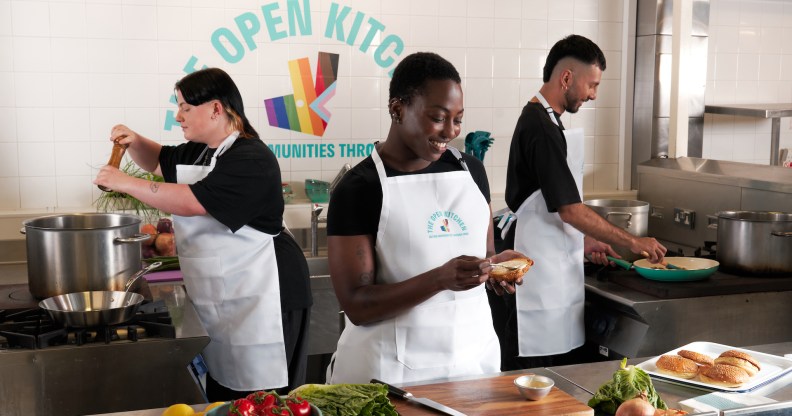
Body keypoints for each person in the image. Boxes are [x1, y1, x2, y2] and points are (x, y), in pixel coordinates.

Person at [93, 68, 312, 401]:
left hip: (267, 290)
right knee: (227, 394)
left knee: (265, 400)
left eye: (185, 107)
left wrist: (123, 181)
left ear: (215, 109)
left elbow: (191, 201)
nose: (178, 116)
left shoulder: (251, 158)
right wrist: (134, 141)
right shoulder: (202, 149)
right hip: (228, 291)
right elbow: (159, 161)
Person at [324, 52, 527, 384]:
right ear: (397, 108)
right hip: (388, 376)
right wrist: (439, 279)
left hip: (472, 364)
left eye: (458, 119)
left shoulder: (471, 171)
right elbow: (357, 305)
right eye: (438, 117)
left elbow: (485, 253)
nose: (449, 131)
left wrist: (496, 267)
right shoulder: (360, 188)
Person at [500, 35, 667, 369]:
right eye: (592, 84)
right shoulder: (541, 127)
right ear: (566, 78)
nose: (593, 94)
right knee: (539, 383)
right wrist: (633, 241)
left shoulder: (547, 121)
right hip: (537, 277)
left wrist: (584, 240)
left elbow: (554, 204)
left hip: (549, 260)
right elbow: (570, 209)